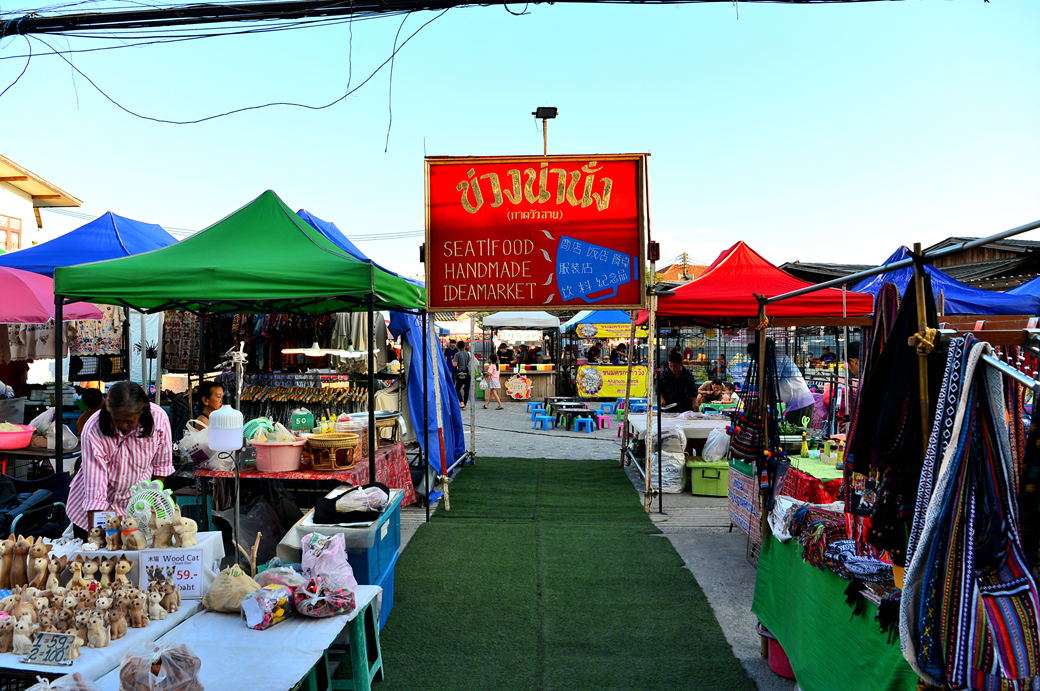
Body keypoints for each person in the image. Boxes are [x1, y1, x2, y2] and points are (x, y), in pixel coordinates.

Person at [66, 381, 173, 535]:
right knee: (98, 547)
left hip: (136, 507)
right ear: (109, 411)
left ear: (141, 412)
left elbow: (161, 467)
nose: (123, 425)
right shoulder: (93, 428)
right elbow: (96, 487)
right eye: (117, 420)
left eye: (129, 421)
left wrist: (148, 499)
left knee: (133, 548)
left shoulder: (159, 419)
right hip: (91, 510)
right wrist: (95, 534)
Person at [747, 341, 816, 426]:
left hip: (800, 403)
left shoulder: (776, 358)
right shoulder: (769, 360)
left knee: (796, 432)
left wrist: (755, 406)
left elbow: (770, 385)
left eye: (755, 358)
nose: (755, 361)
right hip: (794, 404)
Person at [454, 341, 472, 411]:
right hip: (467, 374)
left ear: (458, 346)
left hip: (460, 374)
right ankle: (465, 406)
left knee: (457, 389)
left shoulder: (457, 354)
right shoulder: (467, 354)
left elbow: (455, 365)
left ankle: (461, 402)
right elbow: (470, 364)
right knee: (466, 391)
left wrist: (453, 361)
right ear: (464, 346)